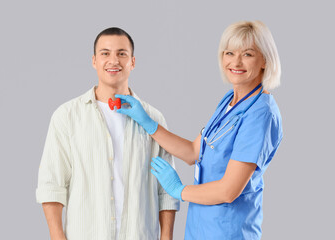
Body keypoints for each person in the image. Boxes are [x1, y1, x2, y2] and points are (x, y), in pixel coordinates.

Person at [116, 21, 283, 239]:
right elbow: (193, 152)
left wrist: (179, 191)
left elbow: (229, 190)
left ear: (265, 60)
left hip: (229, 231)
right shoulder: (229, 101)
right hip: (200, 228)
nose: (236, 62)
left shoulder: (260, 113)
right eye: (229, 53)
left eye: (248, 54)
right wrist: (148, 123)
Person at [36, 27, 179, 240]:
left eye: (122, 53)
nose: (114, 60)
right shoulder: (67, 116)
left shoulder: (153, 119)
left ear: (132, 62)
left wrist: (166, 237)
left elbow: (166, 190)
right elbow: (52, 184)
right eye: (105, 53)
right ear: (94, 61)